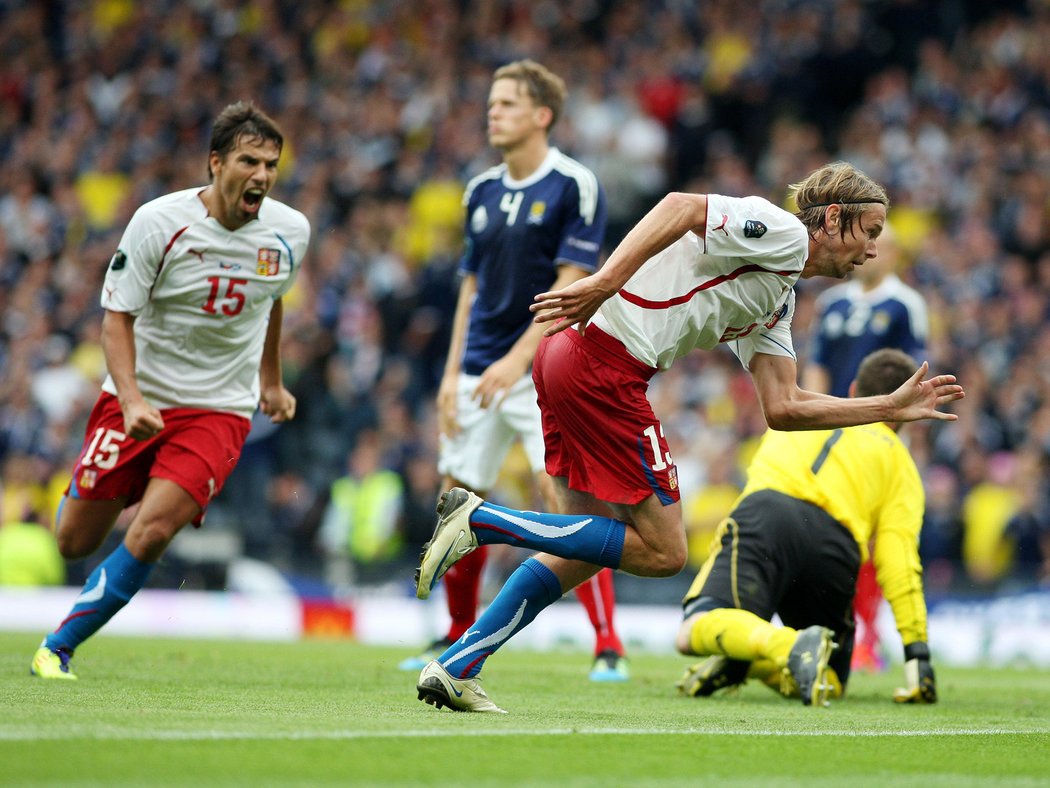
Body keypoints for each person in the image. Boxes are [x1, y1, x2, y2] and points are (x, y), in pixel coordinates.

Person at [412, 160, 964, 713]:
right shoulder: (786, 233)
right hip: (606, 367)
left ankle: (458, 666)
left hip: (568, 357)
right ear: (835, 218)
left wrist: (886, 407)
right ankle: (482, 520)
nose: (871, 251)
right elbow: (681, 206)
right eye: (869, 233)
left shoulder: (779, 293)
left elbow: (784, 406)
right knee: (664, 551)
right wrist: (604, 281)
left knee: (583, 545)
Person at [29, 101, 310, 679]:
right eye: (249, 161)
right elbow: (116, 318)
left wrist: (271, 382)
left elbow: (271, 300)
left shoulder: (290, 231)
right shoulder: (159, 221)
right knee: (73, 540)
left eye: (271, 165)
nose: (262, 175)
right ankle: (132, 480)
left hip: (220, 409)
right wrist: (131, 399)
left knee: (154, 529)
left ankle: (58, 645)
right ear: (215, 162)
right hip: (139, 397)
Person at [401, 59, 629, 682]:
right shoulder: (479, 191)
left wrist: (516, 359)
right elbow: (469, 290)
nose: (492, 112)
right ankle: (452, 632)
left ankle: (608, 643)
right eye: (491, 102)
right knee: (456, 498)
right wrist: (452, 374)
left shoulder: (573, 184)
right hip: (478, 370)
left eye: (505, 103)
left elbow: (572, 281)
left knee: (559, 499)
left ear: (541, 115)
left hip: (544, 368)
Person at [674, 348, 938, 706]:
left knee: (696, 627)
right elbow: (898, 561)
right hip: (836, 547)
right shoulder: (900, 462)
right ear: (910, 409)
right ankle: (770, 659)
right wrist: (916, 655)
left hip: (769, 513)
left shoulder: (801, 410)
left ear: (854, 387)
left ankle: (770, 649)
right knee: (829, 678)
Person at [802, 222, 929, 673]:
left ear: (896, 256)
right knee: (834, 523)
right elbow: (816, 366)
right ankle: (837, 628)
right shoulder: (832, 302)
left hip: (878, 431)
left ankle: (866, 636)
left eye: (887, 248)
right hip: (833, 427)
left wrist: (912, 438)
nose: (876, 255)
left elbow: (913, 372)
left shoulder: (905, 304)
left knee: (872, 534)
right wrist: (812, 419)